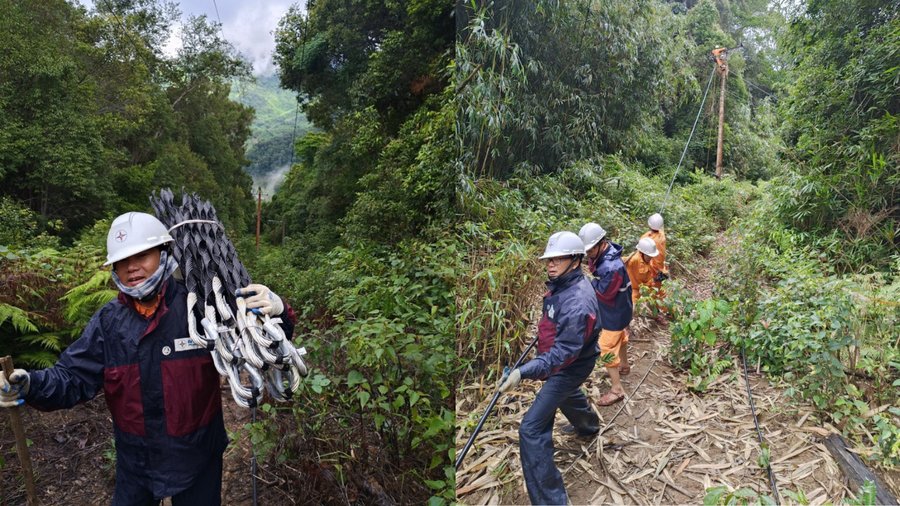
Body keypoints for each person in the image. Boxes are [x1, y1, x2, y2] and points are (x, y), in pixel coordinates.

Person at [0, 212, 295, 506]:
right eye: (123, 260)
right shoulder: (108, 323)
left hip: (198, 454)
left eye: (142, 255)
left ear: (164, 253)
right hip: (136, 461)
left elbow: (261, 342)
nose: (132, 267)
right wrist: (30, 384)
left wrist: (279, 311)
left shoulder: (201, 308)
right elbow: (72, 377)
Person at [497, 231, 601, 505]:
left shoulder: (578, 302)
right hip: (565, 362)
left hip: (570, 366)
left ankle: (550, 501)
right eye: (548, 259)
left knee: (531, 429)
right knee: (566, 394)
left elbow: (562, 355)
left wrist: (523, 372)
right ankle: (588, 426)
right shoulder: (565, 283)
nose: (551, 265)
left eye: (558, 259)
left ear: (576, 261)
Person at [578, 223, 633, 407]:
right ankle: (624, 365)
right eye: (587, 250)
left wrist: (589, 282)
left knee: (606, 347)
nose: (589, 253)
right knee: (620, 337)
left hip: (615, 311)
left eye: (591, 249)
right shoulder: (606, 254)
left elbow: (604, 293)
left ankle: (617, 389)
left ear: (602, 243)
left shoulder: (611, 267)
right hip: (621, 308)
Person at [624, 237, 666, 321]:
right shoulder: (634, 260)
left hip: (647, 286)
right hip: (634, 288)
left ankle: (656, 316)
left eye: (652, 255)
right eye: (649, 255)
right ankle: (625, 325)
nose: (651, 257)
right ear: (642, 252)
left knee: (653, 302)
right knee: (632, 310)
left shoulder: (650, 259)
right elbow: (622, 261)